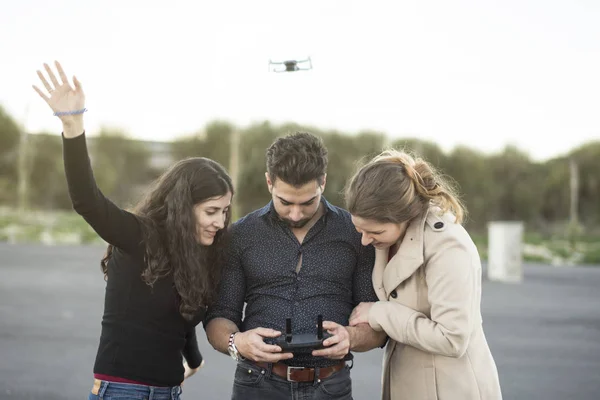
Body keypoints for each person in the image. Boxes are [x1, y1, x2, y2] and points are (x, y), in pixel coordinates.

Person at [33, 61, 234, 400]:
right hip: (122, 391)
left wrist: (194, 361)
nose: (221, 221)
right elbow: (87, 201)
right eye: (211, 211)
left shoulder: (200, 253)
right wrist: (73, 125)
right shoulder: (139, 236)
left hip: (169, 392)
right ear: (184, 207)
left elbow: (181, 317)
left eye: (225, 211)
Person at [205, 132, 386, 400]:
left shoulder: (356, 234)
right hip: (256, 384)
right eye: (285, 202)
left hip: (331, 386)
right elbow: (219, 316)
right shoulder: (240, 235)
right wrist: (238, 342)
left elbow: (375, 326)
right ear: (269, 181)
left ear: (322, 181)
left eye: (307, 202)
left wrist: (351, 337)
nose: (295, 214)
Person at [345, 149, 502, 400]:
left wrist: (379, 313)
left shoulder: (448, 247)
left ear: (404, 216)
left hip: (452, 388)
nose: (364, 240)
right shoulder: (385, 239)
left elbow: (453, 339)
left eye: (375, 231)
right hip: (405, 382)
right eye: (358, 229)